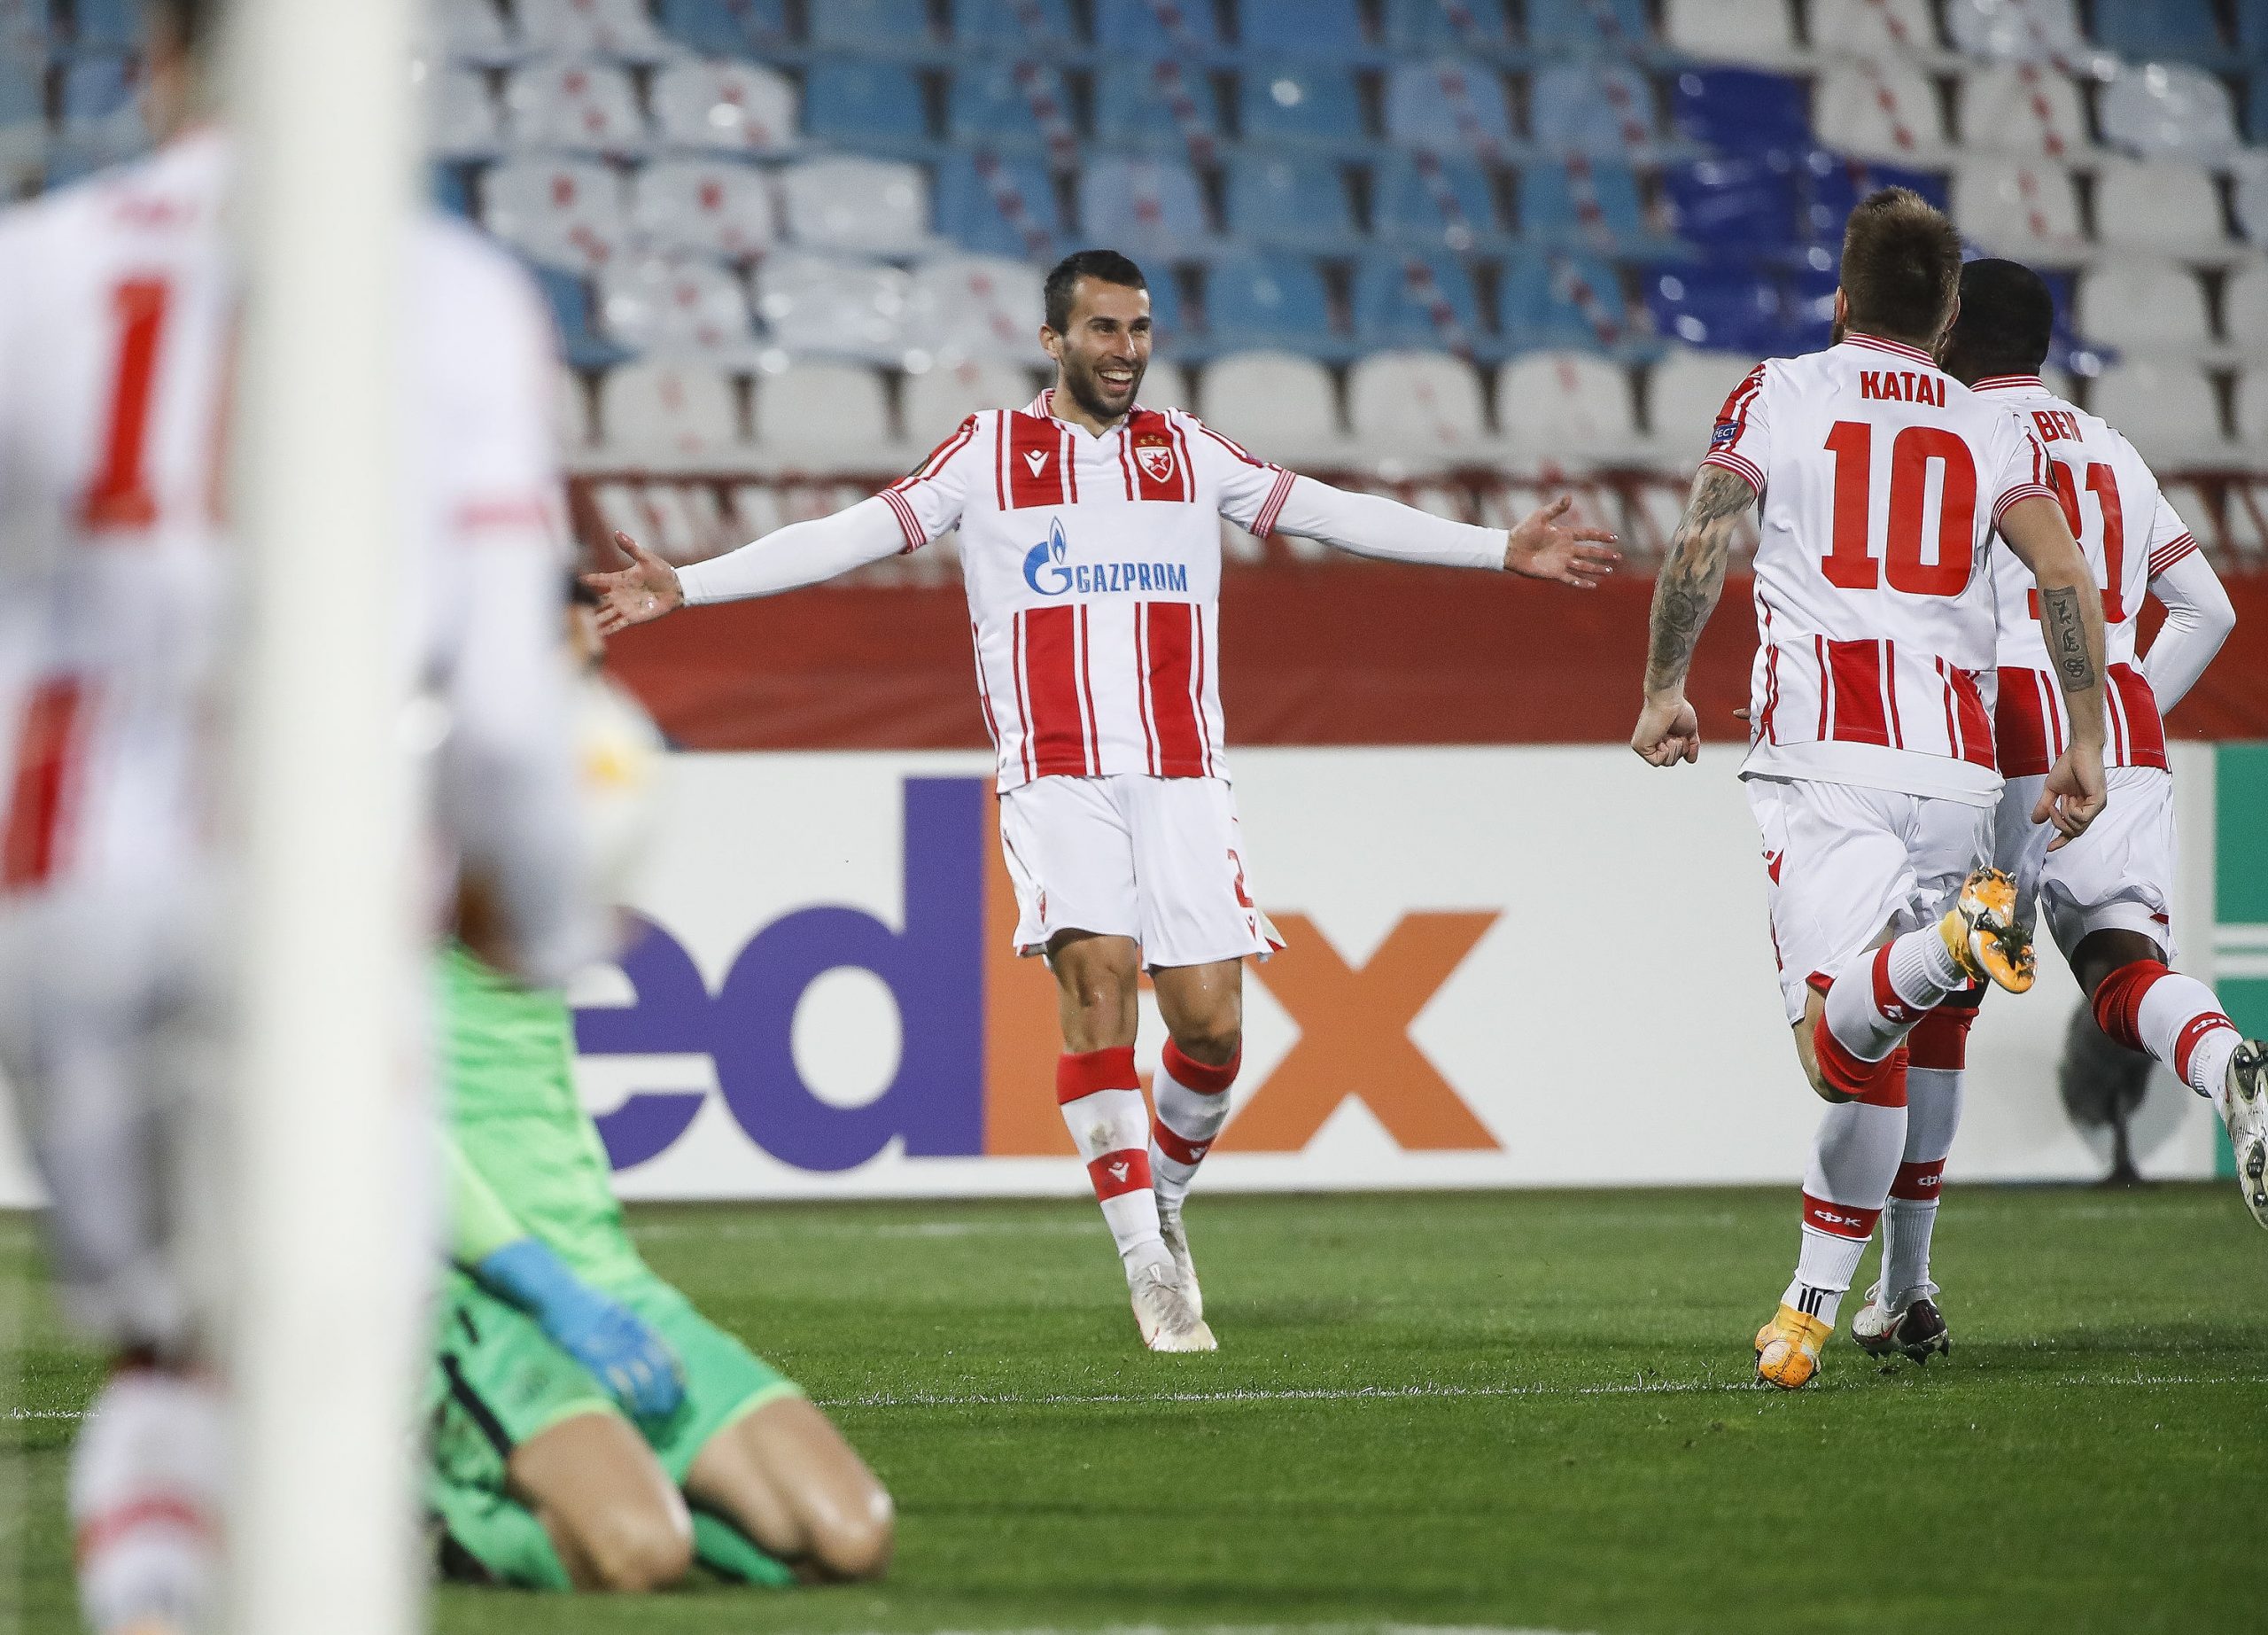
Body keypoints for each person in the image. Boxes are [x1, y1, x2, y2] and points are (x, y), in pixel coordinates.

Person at [585, 247, 1621, 1352]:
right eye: (1104, 331)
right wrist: (688, 584)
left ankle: (1162, 1196)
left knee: (1212, 1029)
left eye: (1138, 330)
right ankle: (1144, 1262)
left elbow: (1326, 508)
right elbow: (852, 534)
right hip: (1057, 773)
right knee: (1099, 983)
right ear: (1055, 341)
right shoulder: (987, 452)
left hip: (1182, 774)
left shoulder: (1188, 452)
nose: (1126, 351)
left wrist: (1495, 548)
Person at [0, 4, 587, 1629]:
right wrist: (544, 912)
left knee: (169, 1360)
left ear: (158, 62)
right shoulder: (451, 299)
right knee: (328, 1362)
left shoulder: (33, 268)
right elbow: (508, 703)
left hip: (61, 887)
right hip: (309, 877)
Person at [1630, 189, 2109, 1390]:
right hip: (1952, 772)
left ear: (1840, 299)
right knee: (1887, 1041)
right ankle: (1806, 1309)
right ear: (1946, 312)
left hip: (1825, 760)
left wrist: (1664, 687)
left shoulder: (1777, 392)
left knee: (1834, 1046)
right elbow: (2063, 568)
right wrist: (2086, 736)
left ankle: (1954, 942)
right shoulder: (1984, 423)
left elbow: (1703, 536)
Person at [426, 593, 894, 1592]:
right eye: (573, 650)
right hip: (475, 1298)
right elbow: (376, 1127)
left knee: (849, 1537)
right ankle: (436, 1524)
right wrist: (539, 1286)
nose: (597, 675)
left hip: (608, 1282)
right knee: (641, 1554)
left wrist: (586, 1286)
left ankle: (632, 1490)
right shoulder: (404, 826)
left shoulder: (562, 812)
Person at [1842, 261, 2265, 1360]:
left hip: (2001, 726)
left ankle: (1906, 1289)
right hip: (2119, 722)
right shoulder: (2108, 446)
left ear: (1947, 331)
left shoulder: (1952, 436)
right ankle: (2229, 1065)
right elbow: (2205, 607)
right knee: (2123, 968)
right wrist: (2119, 717)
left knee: (1937, 995)